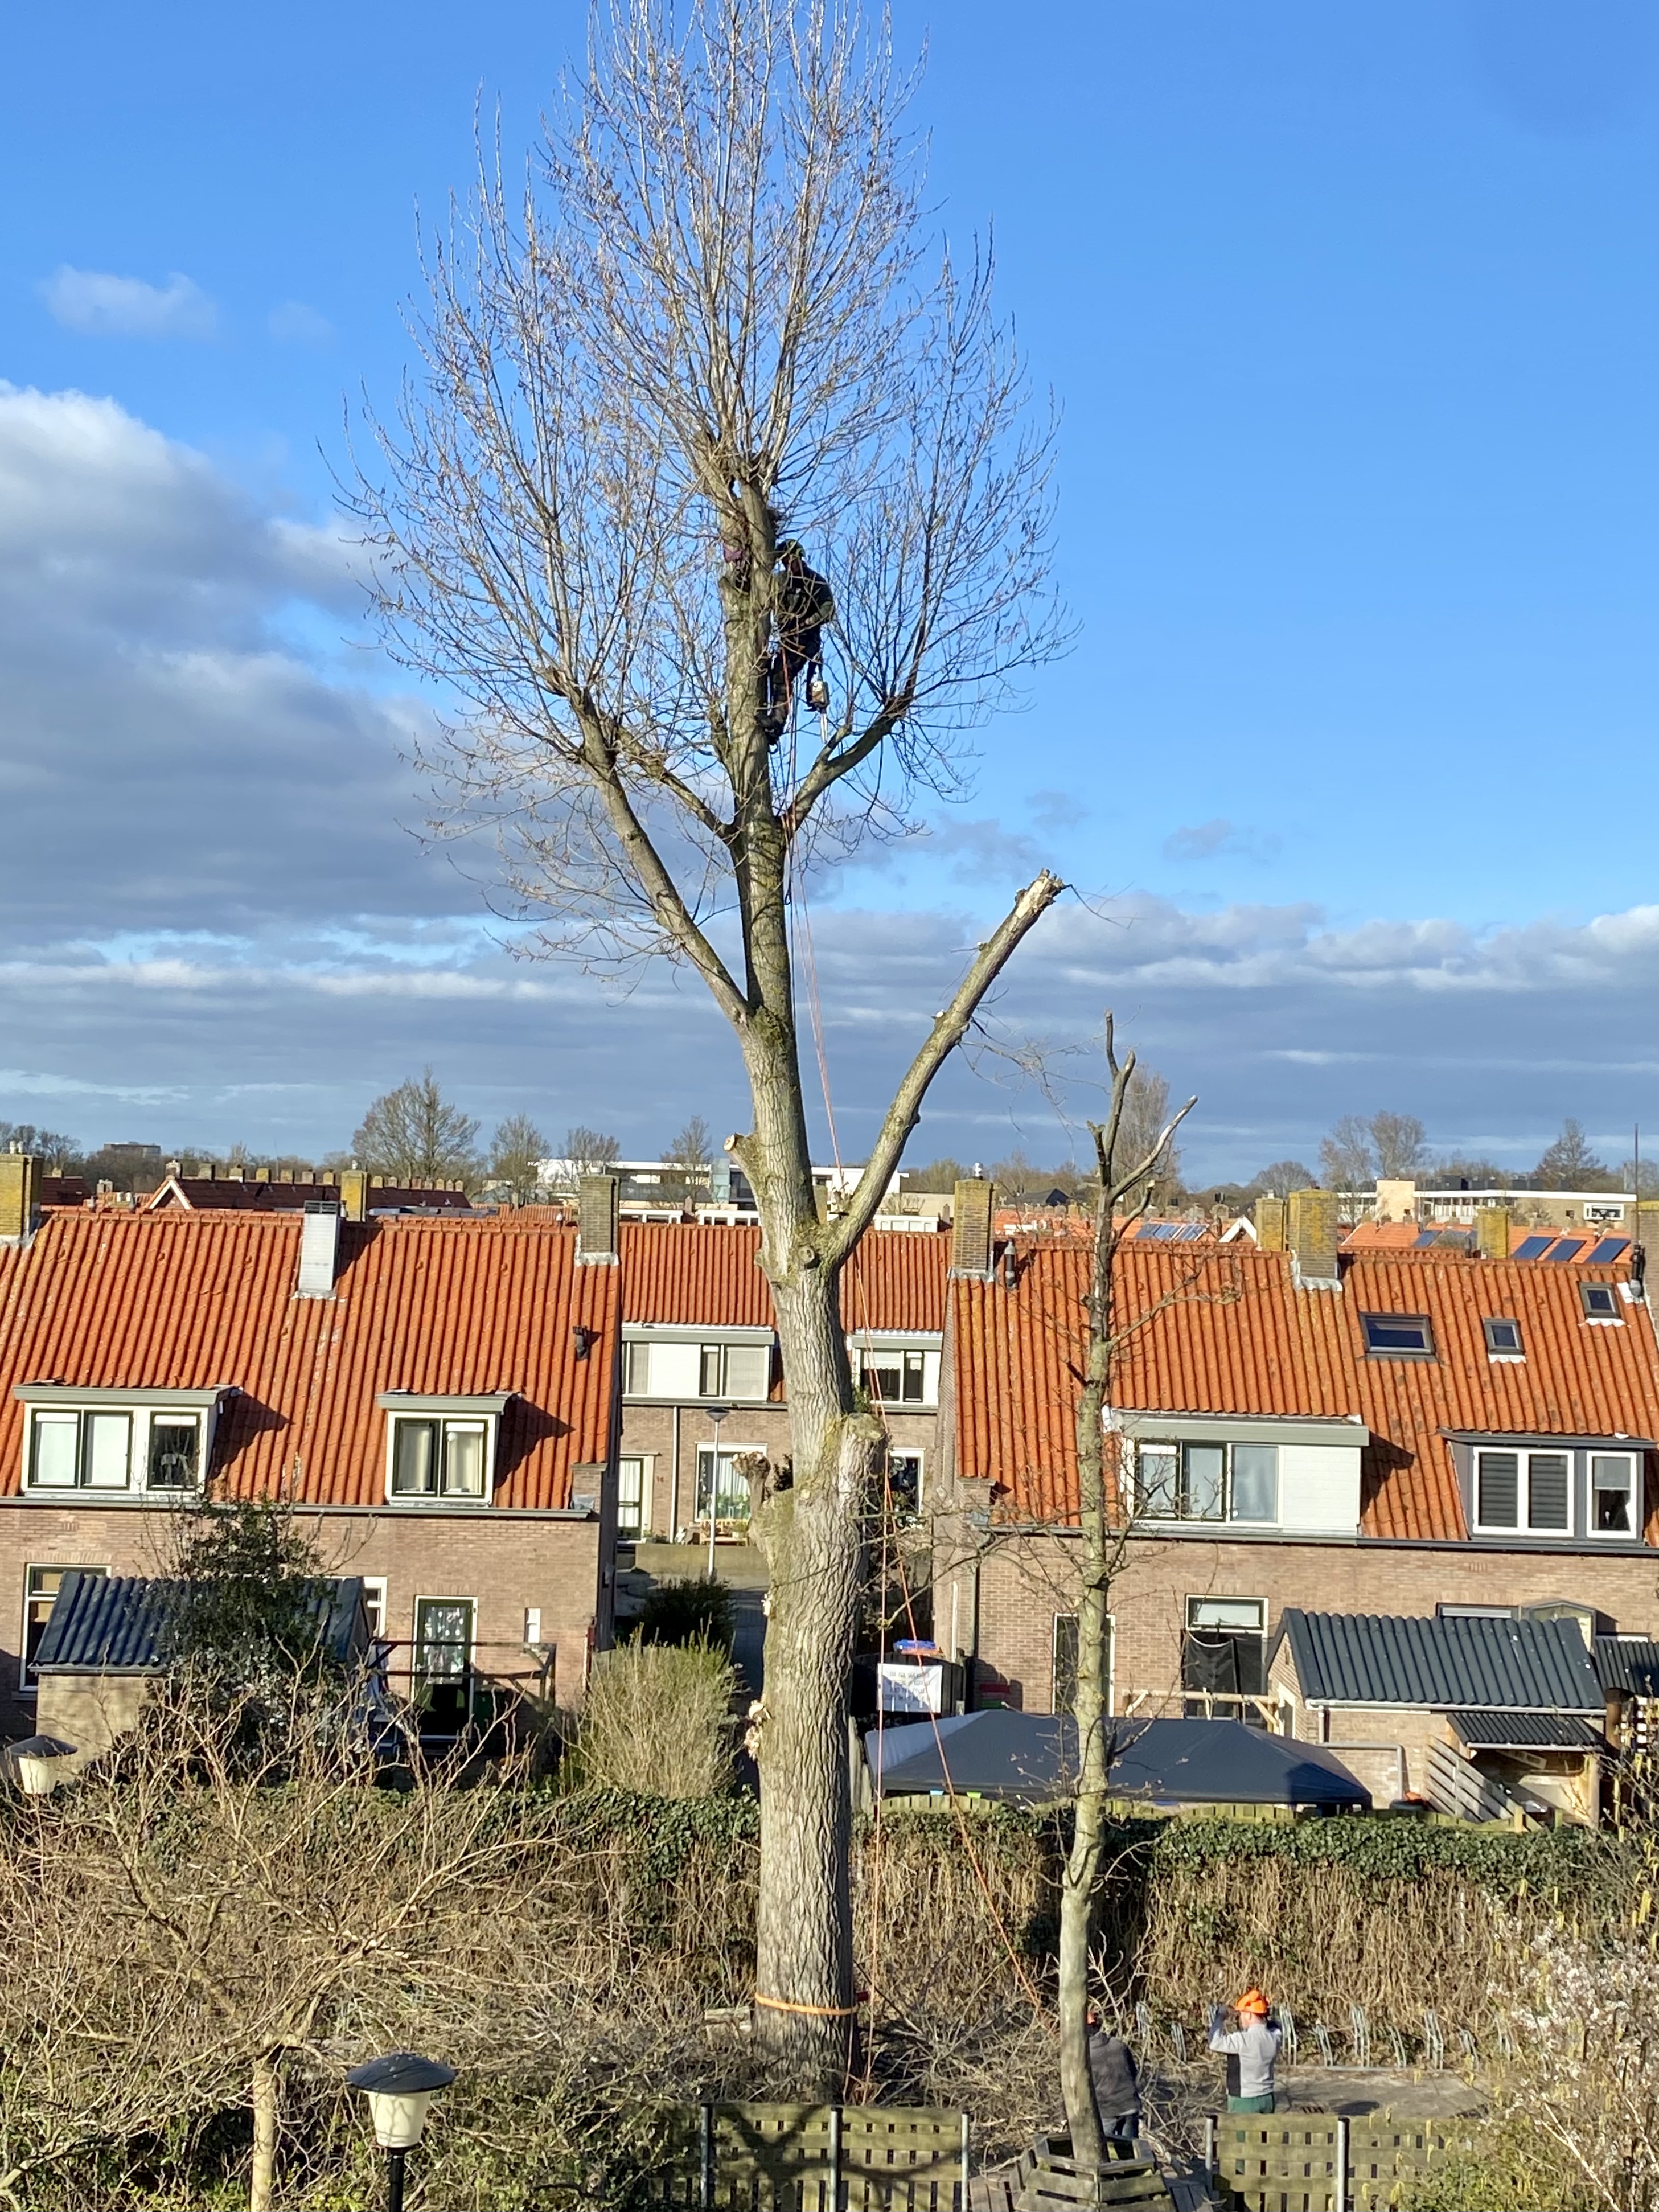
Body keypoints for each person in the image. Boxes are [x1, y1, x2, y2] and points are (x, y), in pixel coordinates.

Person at [763, 539, 835, 738]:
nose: (788, 565)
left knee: (782, 675)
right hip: (787, 638)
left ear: (798, 558)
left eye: (790, 560)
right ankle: (773, 719)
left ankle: (777, 721)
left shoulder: (815, 582)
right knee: (775, 672)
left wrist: (806, 622)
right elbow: (766, 602)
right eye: (785, 562)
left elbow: (828, 609)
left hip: (805, 641)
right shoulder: (780, 581)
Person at [1208, 1988, 1282, 2115]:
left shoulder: (1241, 2040)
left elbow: (1214, 2043)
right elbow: (1275, 2026)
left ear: (1249, 2014)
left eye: (1242, 2014)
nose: (1241, 2018)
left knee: (1239, 2135)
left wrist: (1220, 2017)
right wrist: (1265, 2011)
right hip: (1267, 2098)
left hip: (1243, 2100)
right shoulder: (1274, 2038)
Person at [1085, 2000, 1141, 2143]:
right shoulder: (1119, 2045)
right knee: (1131, 2151)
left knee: (1106, 2151)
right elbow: (1134, 2074)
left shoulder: (1084, 2056)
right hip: (1130, 2105)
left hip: (1106, 2110)